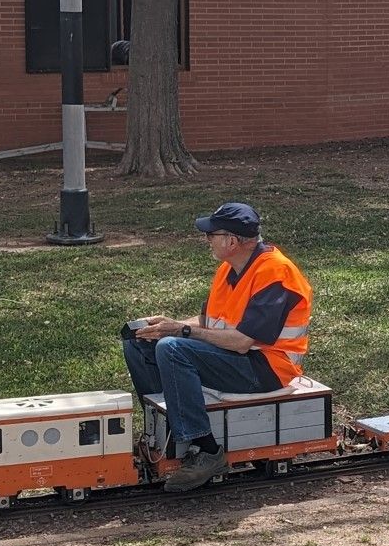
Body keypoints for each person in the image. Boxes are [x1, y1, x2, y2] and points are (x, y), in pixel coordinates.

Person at [123, 202, 314, 491]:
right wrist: (166, 326)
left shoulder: (276, 273)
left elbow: (240, 342)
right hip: (236, 358)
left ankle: (207, 450)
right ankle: (167, 431)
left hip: (267, 369)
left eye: (211, 234)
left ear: (232, 241)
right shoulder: (228, 268)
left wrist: (181, 332)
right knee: (140, 341)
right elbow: (210, 320)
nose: (207, 240)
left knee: (171, 348)